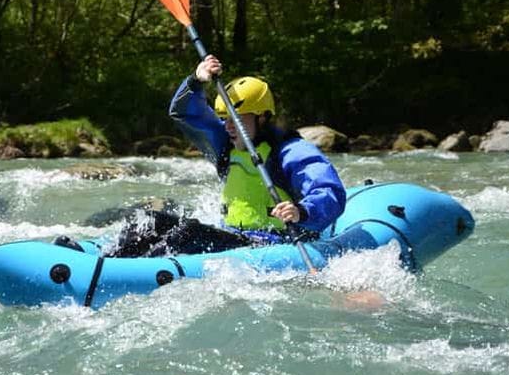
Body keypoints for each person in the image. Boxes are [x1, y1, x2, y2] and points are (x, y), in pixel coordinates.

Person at [110, 55, 346, 258]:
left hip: (271, 243)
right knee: (151, 220)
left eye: (238, 118)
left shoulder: (291, 151)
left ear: (262, 117)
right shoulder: (225, 145)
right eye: (226, 118)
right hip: (232, 236)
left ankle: (130, 271)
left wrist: (301, 211)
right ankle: (107, 262)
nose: (229, 126)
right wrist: (196, 80)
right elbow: (183, 114)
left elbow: (330, 192)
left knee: (187, 234)